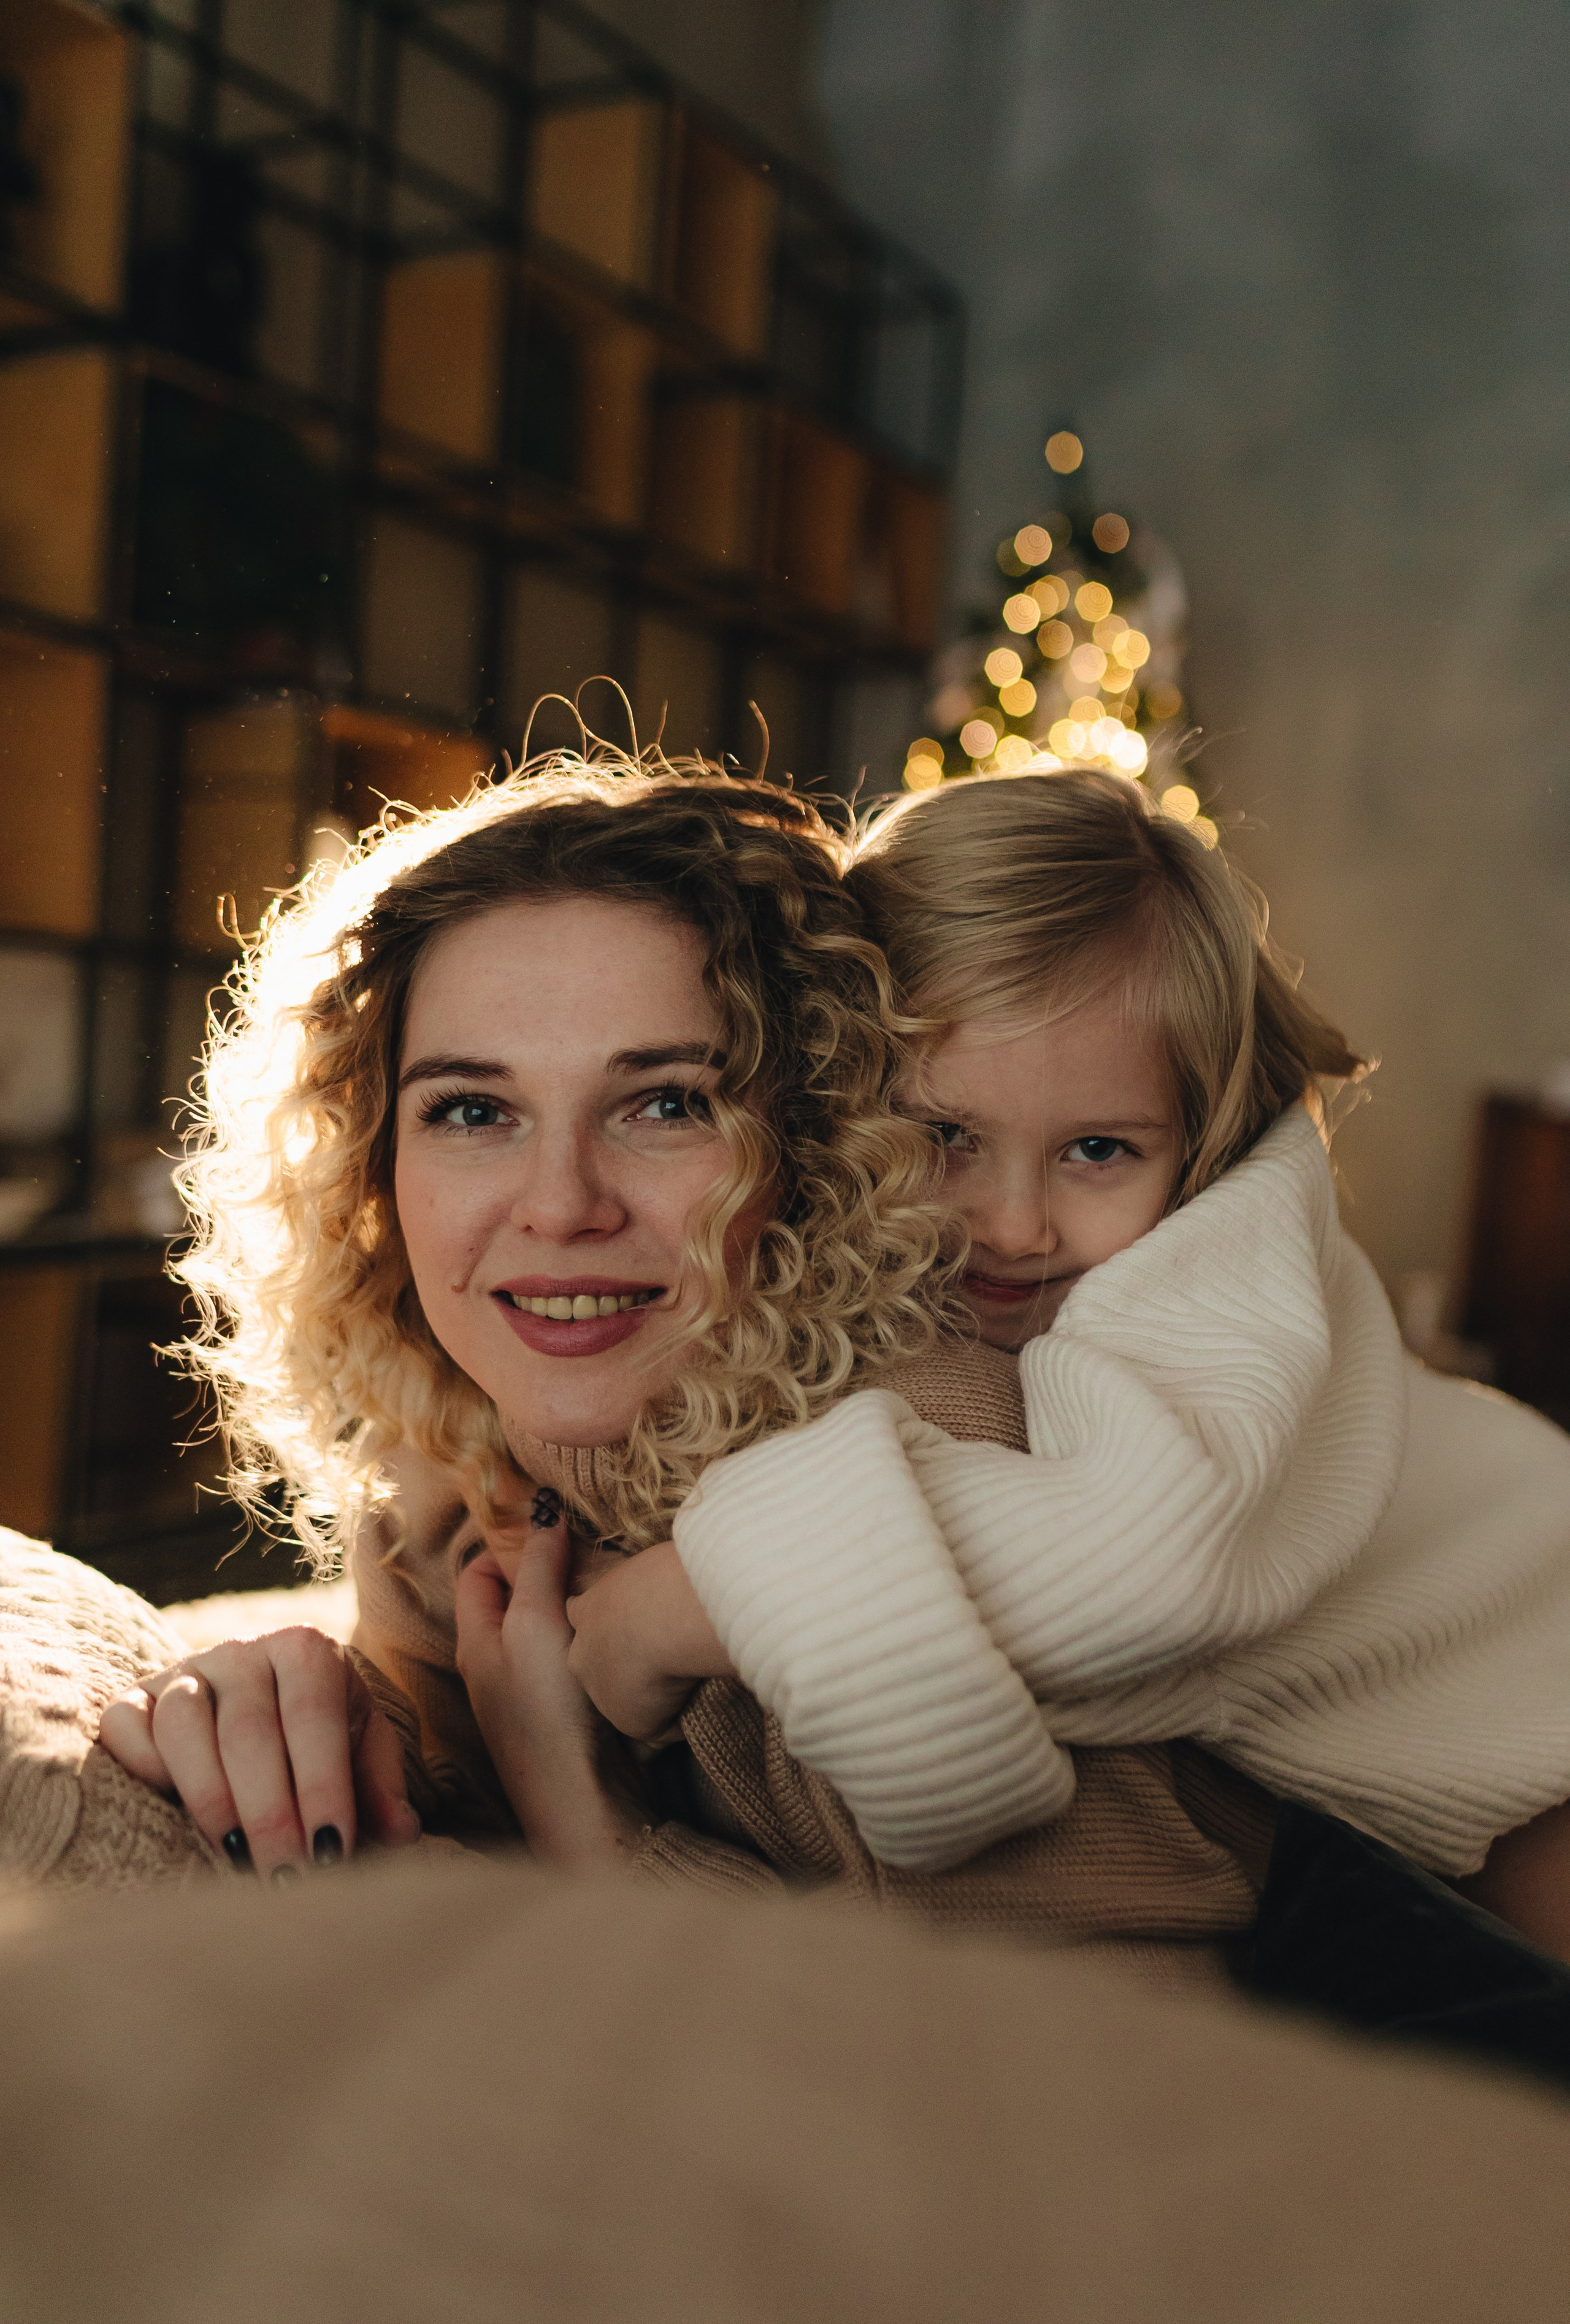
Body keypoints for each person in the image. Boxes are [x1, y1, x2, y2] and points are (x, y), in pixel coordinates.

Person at [94, 752, 1269, 1989]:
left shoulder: (927, 1468)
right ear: (371, 1170)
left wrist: (596, 1835)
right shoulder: (449, 1467)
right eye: (472, 1112)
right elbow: (444, 1752)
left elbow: (1101, 2079)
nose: (559, 1208)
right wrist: (306, 1701)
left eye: (663, 1105)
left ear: (813, 1141)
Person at [566, 768, 1570, 1957]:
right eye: (943, 1138)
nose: (1012, 1224)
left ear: (1199, 1136)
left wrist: (672, 1610)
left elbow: (1145, 1563)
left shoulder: (1222, 1260)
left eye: (1096, 1149)